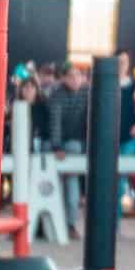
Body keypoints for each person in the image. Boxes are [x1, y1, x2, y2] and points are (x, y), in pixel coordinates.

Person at [47, 62, 91, 226]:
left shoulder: (88, 93)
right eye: (70, 76)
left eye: (78, 75)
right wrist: (57, 146)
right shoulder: (56, 95)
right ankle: (64, 223)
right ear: (63, 78)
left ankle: (70, 222)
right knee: (67, 182)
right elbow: (55, 123)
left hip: (83, 144)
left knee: (72, 183)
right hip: (65, 145)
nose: (75, 79)